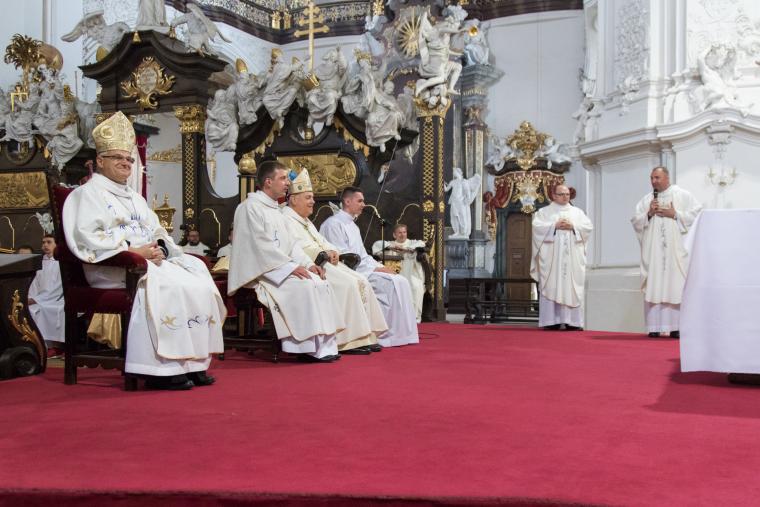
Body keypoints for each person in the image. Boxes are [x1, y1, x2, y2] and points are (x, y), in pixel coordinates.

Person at [62, 112, 225, 390]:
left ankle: (192, 361)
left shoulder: (135, 198)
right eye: (117, 157)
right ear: (100, 161)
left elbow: (157, 230)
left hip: (146, 261)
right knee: (170, 286)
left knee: (197, 274)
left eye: (128, 158)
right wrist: (135, 251)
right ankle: (159, 369)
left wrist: (161, 249)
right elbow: (87, 237)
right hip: (112, 266)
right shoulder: (85, 195)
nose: (125, 162)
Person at [227, 160, 343, 362]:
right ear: (268, 182)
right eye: (283, 178)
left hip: (278, 268)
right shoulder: (249, 208)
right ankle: (303, 348)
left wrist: (308, 264)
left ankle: (323, 347)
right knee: (306, 286)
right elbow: (259, 247)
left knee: (319, 282)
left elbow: (292, 245)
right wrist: (289, 268)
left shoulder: (277, 210)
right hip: (260, 273)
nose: (287, 183)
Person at [283, 169, 388, 354]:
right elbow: (295, 247)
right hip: (312, 265)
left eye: (312, 197)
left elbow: (321, 241)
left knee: (361, 280)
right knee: (348, 284)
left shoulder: (305, 221)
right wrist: (322, 252)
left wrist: (332, 250)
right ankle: (347, 341)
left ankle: (366, 335)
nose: (313, 201)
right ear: (293, 199)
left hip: (324, 261)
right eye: (308, 197)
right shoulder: (285, 219)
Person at [320, 187, 419, 347]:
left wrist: (379, 266)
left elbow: (363, 255)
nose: (363, 204)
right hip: (349, 272)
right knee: (389, 284)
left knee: (401, 281)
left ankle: (401, 335)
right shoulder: (333, 224)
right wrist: (374, 269)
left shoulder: (353, 226)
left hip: (363, 268)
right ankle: (382, 335)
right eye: (360, 201)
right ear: (347, 201)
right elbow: (343, 257)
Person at [631, 167, 702, 338]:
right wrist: (649, 214)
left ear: (667, 178)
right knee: (655, 283)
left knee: (674, 284)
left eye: (657, 177)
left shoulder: (682, 195)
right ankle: (654, 326)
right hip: (654, 253)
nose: (653, 181)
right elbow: (636, 221)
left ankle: (676, 327)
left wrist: (675, 214)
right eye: (652, 178)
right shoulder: (647, 200)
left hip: (675, 252)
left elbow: (698, 214)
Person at [530, 185, 593, 330]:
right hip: (552, 261)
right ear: (554, 195)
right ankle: (551, 321)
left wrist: (573, 227)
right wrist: (554, 226)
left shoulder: (577, 213)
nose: (565, 197)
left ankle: (573, 322)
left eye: (567, 194)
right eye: (562, 194)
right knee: (552, 285)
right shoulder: (544, 212)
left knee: (571, 286)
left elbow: (588, 228)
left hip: (572, 260)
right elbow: (537, 228)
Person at [372, 224, 427, 323]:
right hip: (395, 275)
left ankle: (415, 318)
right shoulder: (390, 244)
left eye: (404, 232)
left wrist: (406, 249)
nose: (402, 235)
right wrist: (392, 247)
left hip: (411, 274)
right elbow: (376, 245)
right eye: (400, 232)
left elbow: (422, 243)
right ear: (394, 235)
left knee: (416, 287)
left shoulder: (412, 243)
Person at [27, 235, 65, 357]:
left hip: (58, 298)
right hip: (41, 298)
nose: (45, 245)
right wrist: (30, 297)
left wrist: (37, 299)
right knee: (31, 309)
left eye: (49, 242)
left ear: (56, 245)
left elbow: (58, 287)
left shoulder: (61, 263)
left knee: (46, 309)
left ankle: (54, 346)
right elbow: (34, 284)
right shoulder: (39, 263)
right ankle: (37, 345)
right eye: (43, 242)